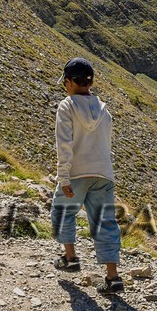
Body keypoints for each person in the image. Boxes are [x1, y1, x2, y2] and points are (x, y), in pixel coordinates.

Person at [51, 57, 123, 293]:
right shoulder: (104, 110)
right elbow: (107, 142)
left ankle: (70, 258)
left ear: (71, 82)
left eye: (65, 82)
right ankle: (113, 277)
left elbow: (64, 145)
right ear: (89, 83)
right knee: (105, 223)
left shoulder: (67, 105)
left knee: (63, 212)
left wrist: (64, 178)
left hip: (77, 172)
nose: (65, 86)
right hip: (103, 173)